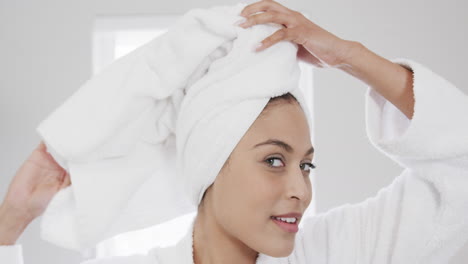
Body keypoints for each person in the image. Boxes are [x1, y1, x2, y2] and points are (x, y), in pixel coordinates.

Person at [1, 0, 467, 263]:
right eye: (274, 160)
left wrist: (349, 55)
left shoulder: (340, 250)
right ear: (209, 164)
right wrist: (12, 220)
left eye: (306, 165)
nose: (300, 189)